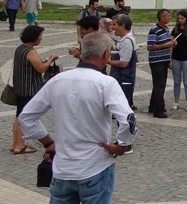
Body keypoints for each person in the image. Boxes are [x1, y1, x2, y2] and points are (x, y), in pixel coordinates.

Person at [18, 32, 137, 203]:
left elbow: (26, 117)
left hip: (63, 169)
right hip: (95, 166)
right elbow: (128, 120)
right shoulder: (106, 83)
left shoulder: (57, 81)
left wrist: (49, 143)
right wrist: (121, 146)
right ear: (106, 54)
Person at [11, 25, 58, 154]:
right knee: (24, 117)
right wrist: (51, 60)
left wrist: (43, 61)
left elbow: (32, 64)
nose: (41, 38)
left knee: (18, 116)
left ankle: (16, 143)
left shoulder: (20, 49)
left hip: (20, 87)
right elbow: (41, 69)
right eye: (40, 36)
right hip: (29, 89)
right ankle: (19, 146)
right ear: (34, 37)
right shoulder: (30, 51)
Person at [147, 9, 176, 118]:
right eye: (168, 16)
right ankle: (158, 110)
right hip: (156, 61)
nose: (169, 17)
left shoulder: (166, 29)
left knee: (159, 84)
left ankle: (153, 105)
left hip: (164, 60)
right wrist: (166, 45)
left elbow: (166, 44)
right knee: (160, 85)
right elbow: (150, 47)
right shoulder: (154, 30)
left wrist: (171, 45)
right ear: (162, 18)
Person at [169, 9, 187, 112]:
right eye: (179, 18)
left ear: (186, 18)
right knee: (176, 81)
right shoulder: (176, 29)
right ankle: (176, 101)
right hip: (176, 58)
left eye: (182, 18)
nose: (180, 20)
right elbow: (171, 44)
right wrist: (170, 59)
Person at [108, 14, 137, 111]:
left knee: (121, 109)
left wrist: (107, 61)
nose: (112, 27)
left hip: (124, 79)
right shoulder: (123, 39)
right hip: (120, 79)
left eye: (114, 24)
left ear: (122, 25)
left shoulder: (127, 41)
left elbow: (124, 63)